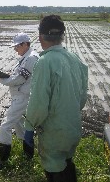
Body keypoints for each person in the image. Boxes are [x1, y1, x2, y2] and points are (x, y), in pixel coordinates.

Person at [24, 15, 88, 182]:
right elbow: (82, 98)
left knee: (55, 168)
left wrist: (29, 128)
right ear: (62, 36)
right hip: (72, 127)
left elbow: (39, 104)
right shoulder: (74, 58)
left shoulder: (44, 62)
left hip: (54, 133)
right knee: (67, 162)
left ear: (40, 37)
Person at [0, 32, 39, 171]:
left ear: (25, 44)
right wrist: (7, 77)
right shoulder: (26, 57)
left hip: (23, 98)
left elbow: (19, 79)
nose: (15, 49)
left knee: (6, 126)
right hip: (20, 97)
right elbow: (19, 76)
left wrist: (1, 79)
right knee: (21, 126)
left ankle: (2, 161)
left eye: (17, 46)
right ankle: (28, 155)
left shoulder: (31, 58)